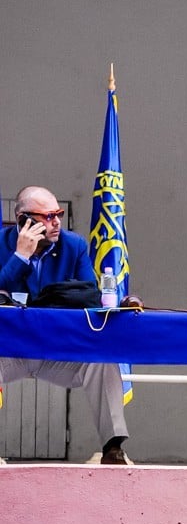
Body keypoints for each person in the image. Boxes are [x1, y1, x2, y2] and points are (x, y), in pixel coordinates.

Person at [0, 186, 129, 465]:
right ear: (23, 220)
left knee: (102, 359)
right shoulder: (1, 243)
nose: (56, 221)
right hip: (11, 352)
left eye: (58, 214)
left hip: (57, 351)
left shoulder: (74, 245)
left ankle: (113, 448)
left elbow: (89, 295)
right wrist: (20, 256)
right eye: (47, 216)